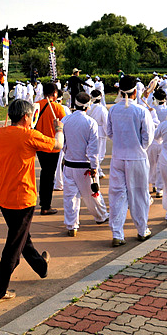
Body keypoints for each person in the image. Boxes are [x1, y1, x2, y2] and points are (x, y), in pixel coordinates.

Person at [0, 99, 63, 304]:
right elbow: (57, 145)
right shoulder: (29, 135)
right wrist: (59, 129)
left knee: (22, 237)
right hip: (23, 197)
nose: (32, 119)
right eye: (31, 116)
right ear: (25, 117)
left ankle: (41, 266)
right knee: (14, 245)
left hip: (4, 197)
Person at [106, 77, 156, 246]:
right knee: (139, 194)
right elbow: (148, 137)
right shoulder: (142, 111)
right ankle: (142, 230)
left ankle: (117, 233)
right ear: (136, 91)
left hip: (118, 156)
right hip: (136, 157)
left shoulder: (113, 109)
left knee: (117, 195)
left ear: (120, 91)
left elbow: (109, 132)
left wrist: (122, 143)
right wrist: (136, 146)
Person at [60, 92, 109, 238]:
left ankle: (71, 225)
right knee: (92, 195)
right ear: (88, 106)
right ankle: (100, 217)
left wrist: (68, 152)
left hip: (69, 164)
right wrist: (94, 167)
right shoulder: (90, 122)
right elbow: (93, 149)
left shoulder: (65, 120)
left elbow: (63, 144)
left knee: (70, 197)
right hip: (84, 166)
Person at [34, 83, 65, 215]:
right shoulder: (58, 107)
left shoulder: (36, 105)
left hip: (39, 144)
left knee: (45, 173)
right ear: (55, 94)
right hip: (53, 146)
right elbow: (65, 126)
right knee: (48, 174)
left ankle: (44, 203)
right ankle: (45, 205)